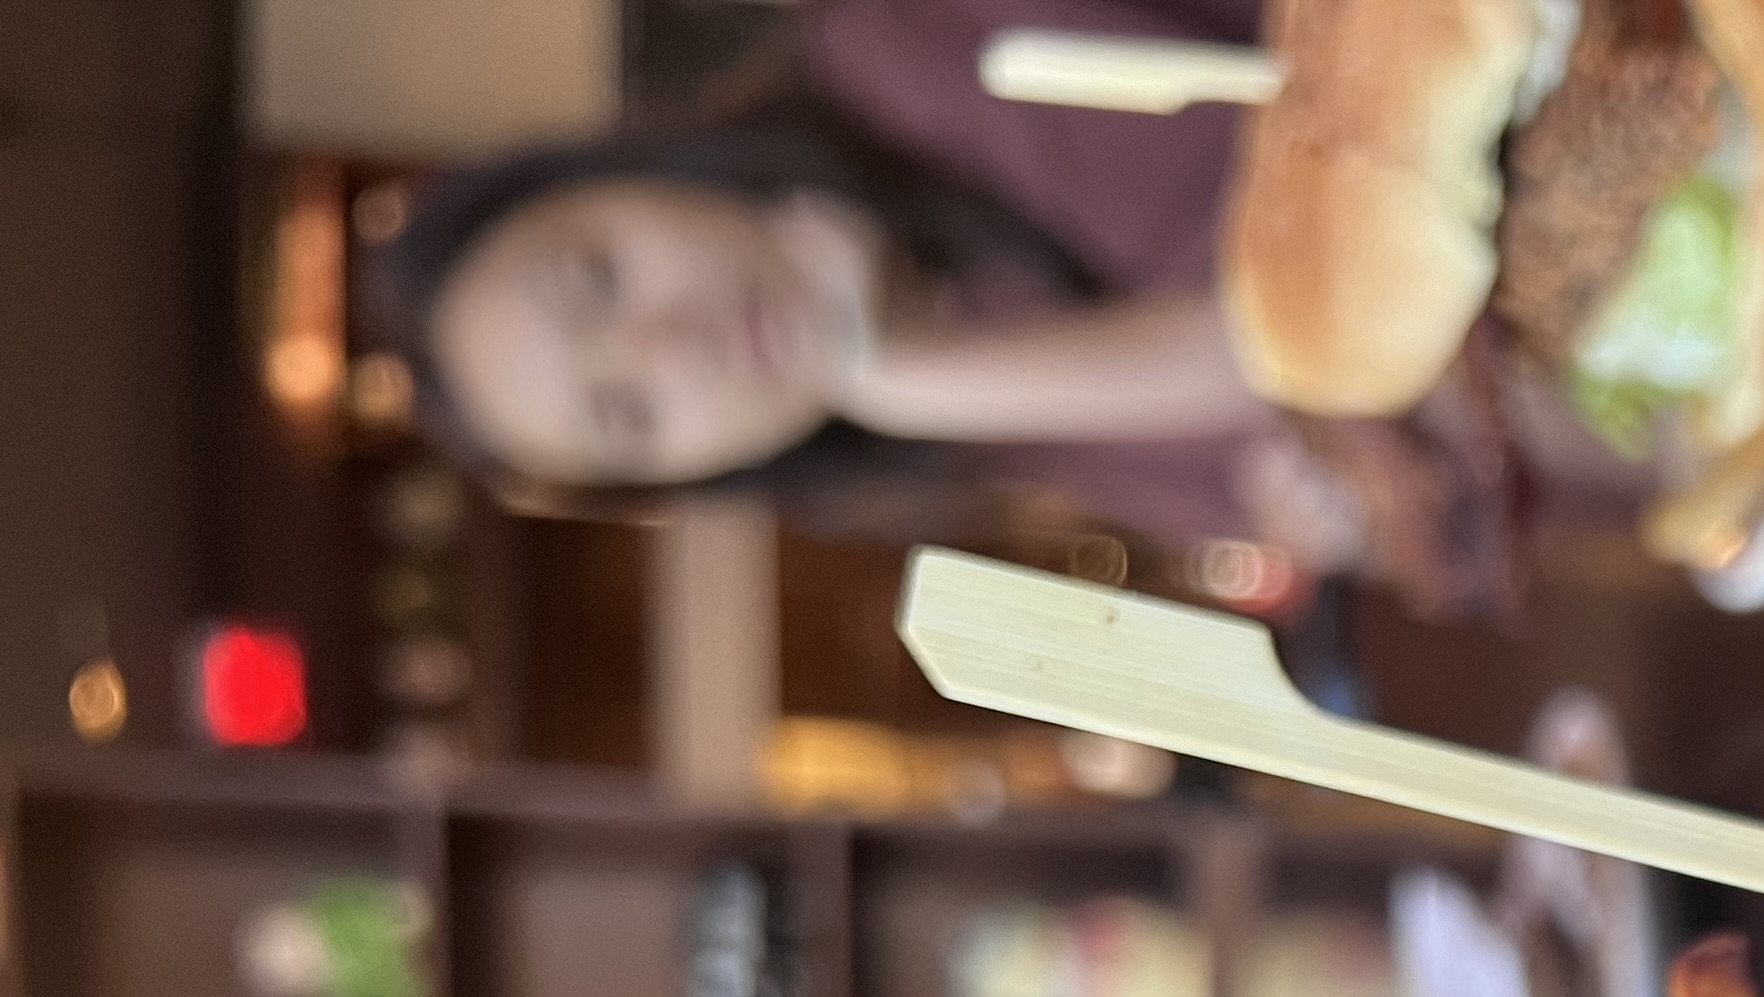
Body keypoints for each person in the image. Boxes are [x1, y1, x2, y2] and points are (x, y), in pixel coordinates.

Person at [368, 0, 1529, 615]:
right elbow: (1410, 466)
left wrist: (899, 371)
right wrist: (1353, 515)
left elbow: (1322, 303)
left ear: (627, 170)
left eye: (599, 279)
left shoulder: (922, 47)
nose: (672, 347)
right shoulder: (970, 427)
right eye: (627, 414)